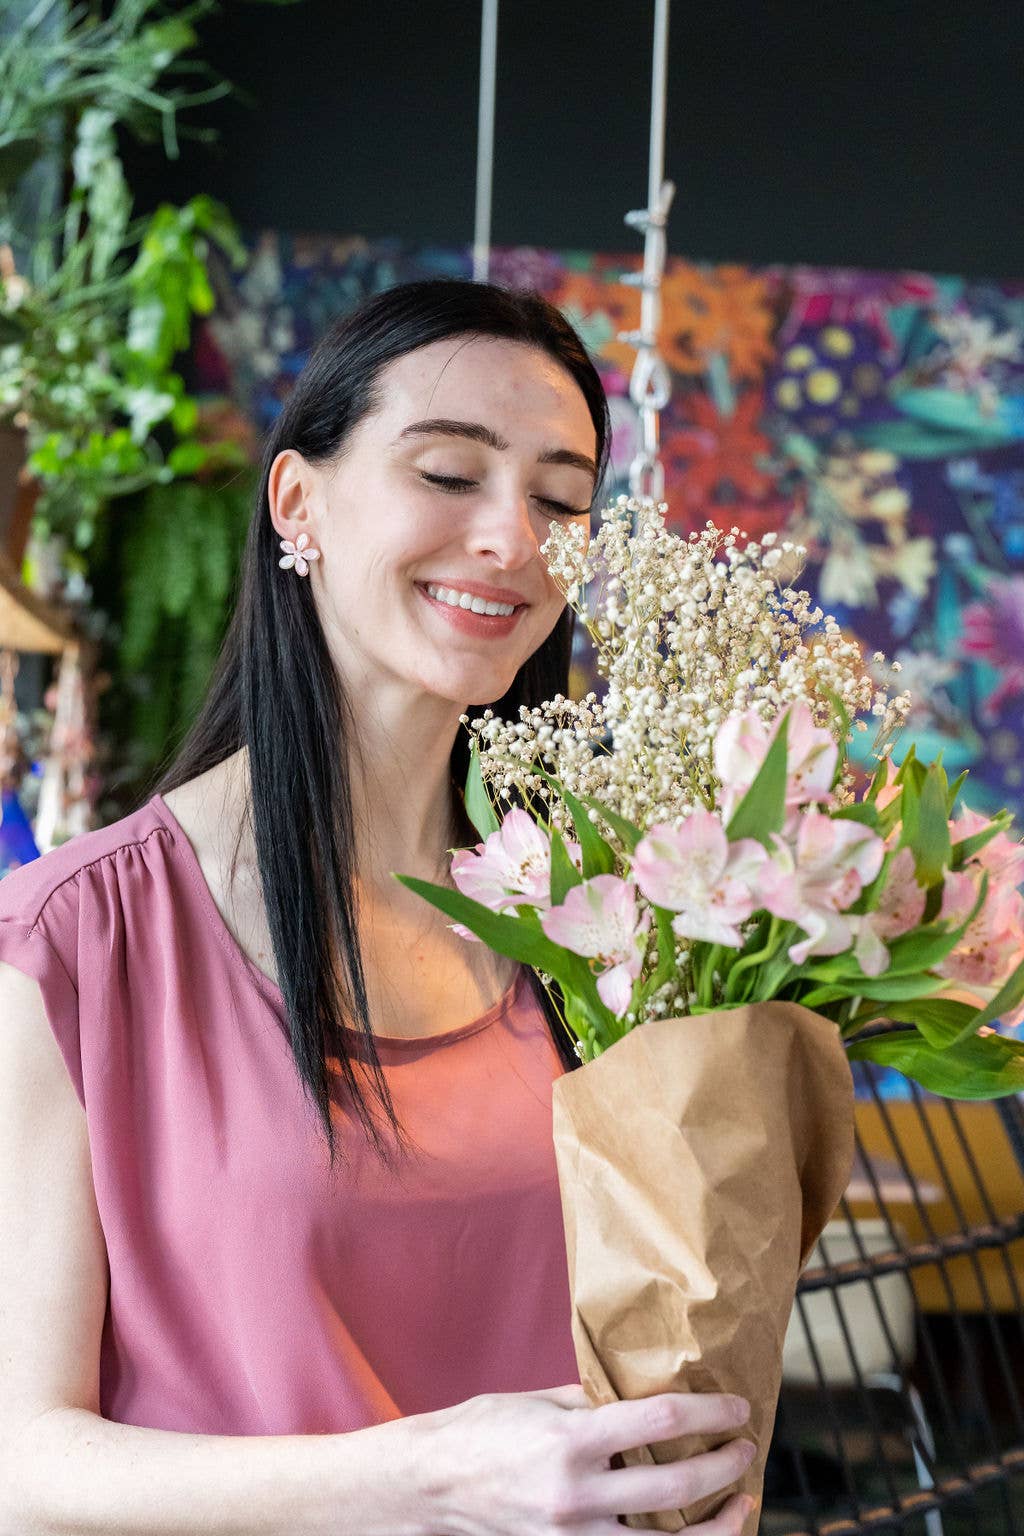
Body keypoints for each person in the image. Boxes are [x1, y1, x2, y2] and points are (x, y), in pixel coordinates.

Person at [0, 279, 757, 1534]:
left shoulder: (616, 923)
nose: (512, 538)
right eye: (451, 475)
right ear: (298, 500)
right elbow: (20, 1468)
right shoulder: (74, 947)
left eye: (561, 500)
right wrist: (436, 1478)